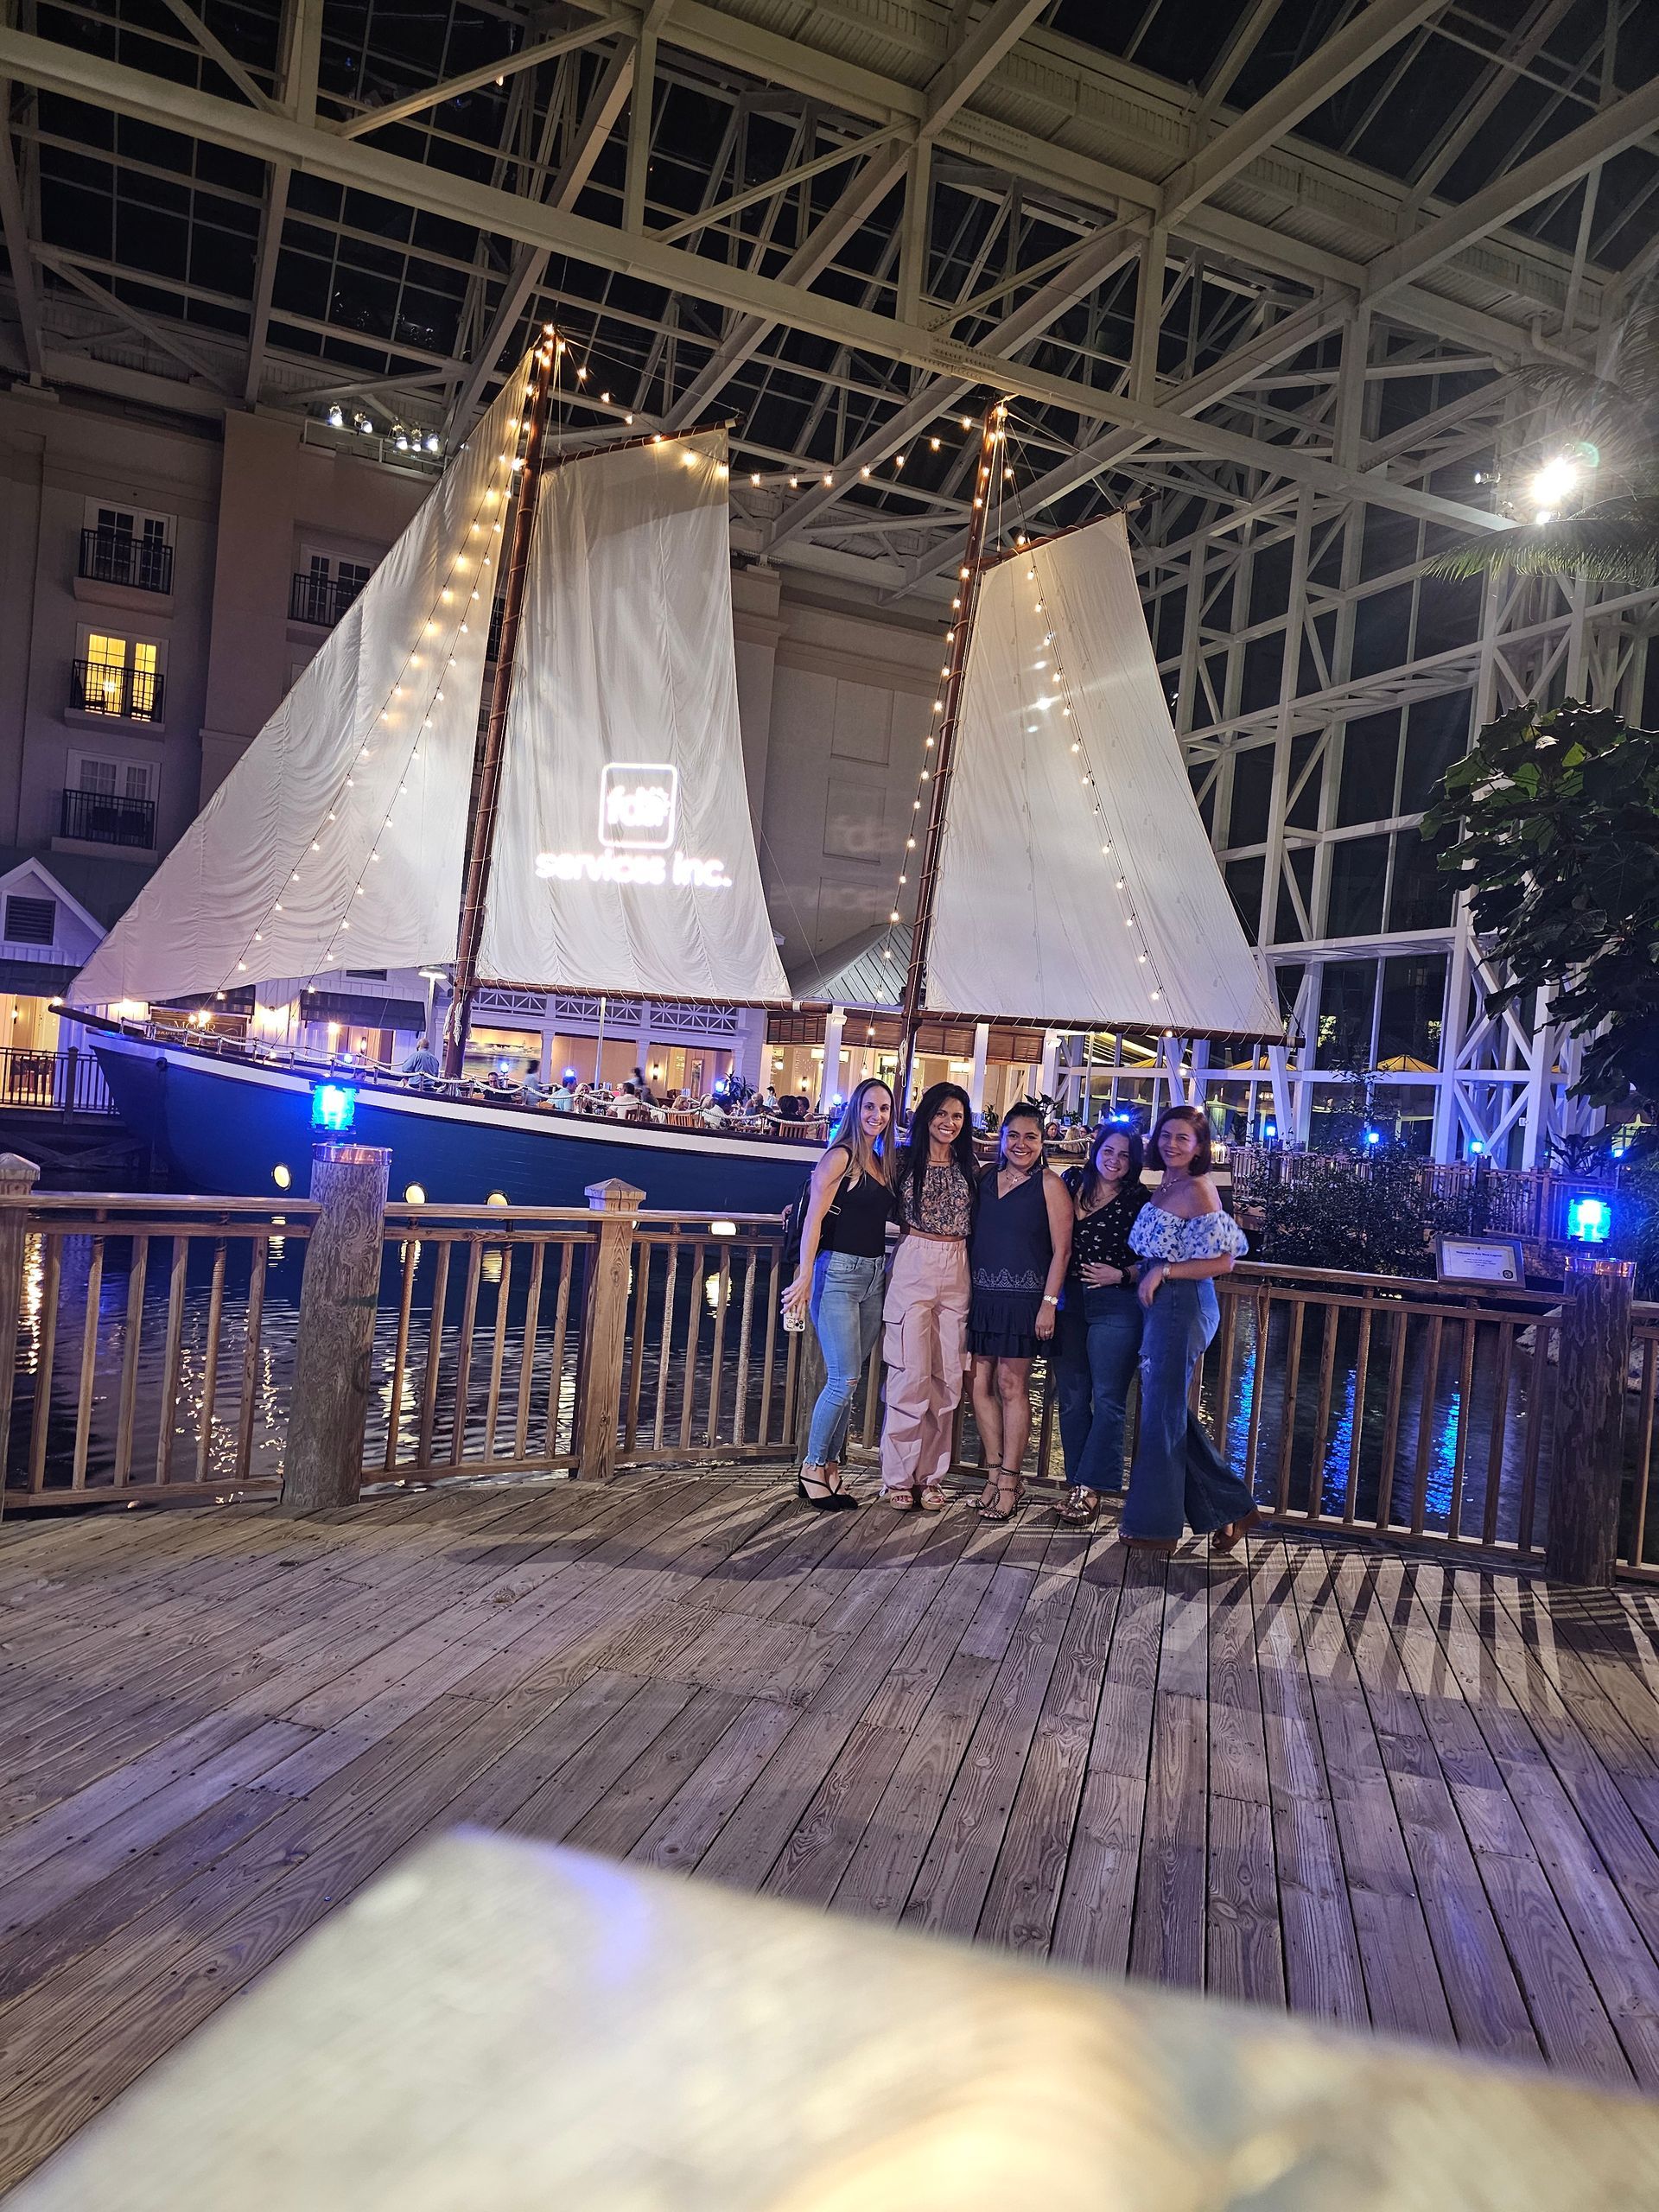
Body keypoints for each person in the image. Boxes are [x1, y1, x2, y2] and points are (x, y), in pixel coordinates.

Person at [1120, 1104, 1264, 1554]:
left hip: (1183, 1303)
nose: (1171, 1144)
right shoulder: (1168, 1180)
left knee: (1162, 1413)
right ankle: (1232, 1508)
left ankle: (1154, 1526)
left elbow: (1224, 1261)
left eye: (1183, 1138)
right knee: (1166, 1410)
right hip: (1163, 1305)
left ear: (1200, 1147)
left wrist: (1164, 1273)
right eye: (1166, 1135)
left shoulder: (1200, 1189)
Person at [781, 1078, 895, 1512]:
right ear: (855, 1110)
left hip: (872, 1277)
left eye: (884, 1109)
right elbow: (814, 1218)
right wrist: (806, 1272)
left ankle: (830, 1464)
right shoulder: (840, 1156)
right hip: (837, 1275)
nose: (877, 1115)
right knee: (843, 1378)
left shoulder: (882, 1162)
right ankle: (811, 1466)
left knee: (850, 1380)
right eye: (869, 1107)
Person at [966, 1102, 1072, 1523]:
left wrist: (1048, 1304)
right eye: (1013, 1135)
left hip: (1024, 1301)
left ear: (1043, 1141)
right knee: (977, 1386)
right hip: (981, 1297)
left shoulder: (1049, 1184)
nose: (1020, 1144)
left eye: (1030, 1136)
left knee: (1013, 1386)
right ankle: (993, 1474)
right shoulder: (983, 1179)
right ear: (1002, 1138)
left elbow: (1062, 1252)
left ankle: (1011, 1479)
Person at [880, 1081, 976, 1510]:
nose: (948, 1123)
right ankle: (897, 1476)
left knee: (947, 1377)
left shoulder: (970, 1163)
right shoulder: (902, 1160)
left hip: (958, 1262)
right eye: (941, 1114)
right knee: (908, 1372)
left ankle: (931, 1476)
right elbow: (861, 1192)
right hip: (914, 1258)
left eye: (956, 1116)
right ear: (927, 1116)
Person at [1052, 1121, 1150, 1524]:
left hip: (1116, 1304)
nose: (1114, 1160)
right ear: (1096, 1150)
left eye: (1124, 1155)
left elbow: (1155, 1258)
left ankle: (1091, 1491)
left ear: (1133, 1163)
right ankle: (1078, 1484)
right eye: (1109, 1151)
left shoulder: (1138, 1200)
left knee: (1108, 1398)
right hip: (1068, 1302)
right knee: (1073, 1397)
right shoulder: (1071, 1180)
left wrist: (1122, 1274)